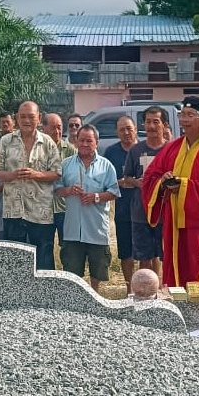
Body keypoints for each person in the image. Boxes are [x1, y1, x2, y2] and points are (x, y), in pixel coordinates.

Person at [142, 96, 199, 292]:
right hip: (175, 225)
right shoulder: (172, 148)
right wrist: (163, 182)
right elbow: (152, 175)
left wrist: (183, 186)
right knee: (177, 279)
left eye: (190, 115)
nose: (184, 120)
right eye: (182, 115)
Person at [0, 101, 62, 270]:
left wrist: (36, 174)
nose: (26, 120)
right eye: (22, 116)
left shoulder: (47, 143)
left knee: (44, 259)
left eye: (31, 117)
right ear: (16, 118)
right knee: (15, 261)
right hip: (13, 211)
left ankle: (44, 295)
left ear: (38, 118)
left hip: (41, 211)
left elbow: (56, 173)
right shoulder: (6, 141)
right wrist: (12, 175)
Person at [54, 124, 120, 292]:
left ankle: (95, 296)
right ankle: (76, 299)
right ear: (76, 141)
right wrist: (69, 190)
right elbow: (57, 190)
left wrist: (96, 197)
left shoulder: (106, 166)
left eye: (88, 141)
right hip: (73, 229)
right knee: (72, 270)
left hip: (96, 228)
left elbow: (113, 191)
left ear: (96, 142)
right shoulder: (66, 164)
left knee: (97, 270)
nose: (84, 144)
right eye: (81, 140)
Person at [123, 106, 168, 277]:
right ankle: (145, 291)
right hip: (140, 212)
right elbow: (126, 178)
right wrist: (137, 182)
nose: (151, 126)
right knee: (144, 256)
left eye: (155, 122)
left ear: (164, 125)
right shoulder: (135, 150)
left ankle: (162, 290)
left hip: (164, 211)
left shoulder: (171, 150)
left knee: (164, 255)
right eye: (148, 122)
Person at [104, 116, 138, 294]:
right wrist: (120, 182)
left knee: (151, 252)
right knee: (126, 252)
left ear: (135, 128)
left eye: (129, 128)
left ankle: (152, 288)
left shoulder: (144, 149)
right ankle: (129, 289)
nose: (126, 133)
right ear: (117, 132)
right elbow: (105, 181)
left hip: (146, 208)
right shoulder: (111, 152)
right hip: (123, 209)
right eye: (122, 130)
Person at [41, 112, 77, 251]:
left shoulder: (70, 151)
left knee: (68, 246)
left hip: (64, 207)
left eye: (59, 127)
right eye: (53, 127)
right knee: (44, 246)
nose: (57, 131)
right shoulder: (37, 150)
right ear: (43, 128)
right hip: (43, 207)